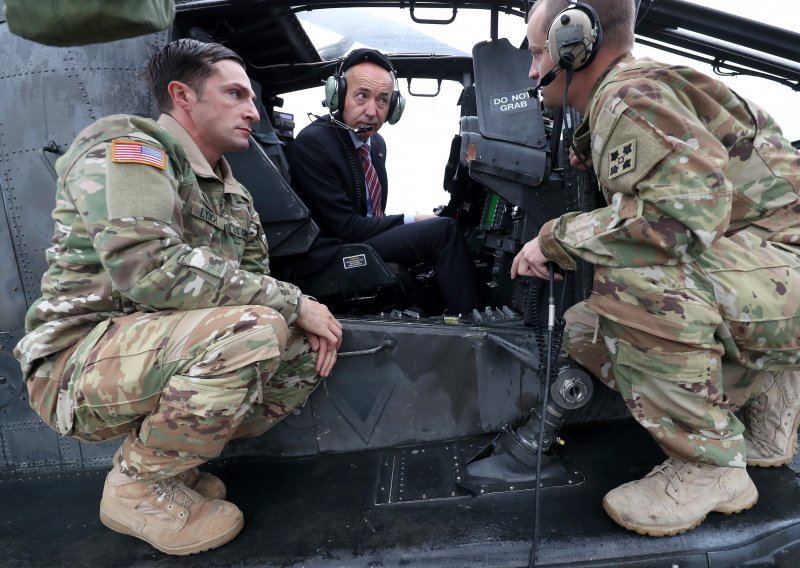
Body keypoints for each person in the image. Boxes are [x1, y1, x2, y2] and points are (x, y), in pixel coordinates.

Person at [13, 39, 343, 555]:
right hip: (75, 364)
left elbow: (246, 286)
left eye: (252, 98)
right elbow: (149, 269)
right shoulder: (130, 147)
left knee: (300, 349)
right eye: (234, 94)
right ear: (182, 96)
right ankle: (135, 490)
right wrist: (296, 303)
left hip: (150, 352)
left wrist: (298, 315)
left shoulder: (232, 194)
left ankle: (166, 465)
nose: (253, 111)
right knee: (255, 331)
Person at [512, 0, 800, 536]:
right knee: (584, 328)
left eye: (535, 54)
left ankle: (709, 466)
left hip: (784, 267)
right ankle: (770, 389)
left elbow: (681, 219)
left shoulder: (629, 96)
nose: (531, 72)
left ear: (575, 43)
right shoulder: (634, 90)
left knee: (633, 282)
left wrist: (554, 239)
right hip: (772, 269)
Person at [288, 48, 481, 315]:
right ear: (339, 95)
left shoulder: (375, 143)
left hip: (358, 239)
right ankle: (475, 321)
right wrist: (410, 220)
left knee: (438, 226)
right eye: (361, 96)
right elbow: (347, 228)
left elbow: (370, 214)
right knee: (443, 231)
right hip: (332, 254)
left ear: (393, 107)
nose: (372, 111)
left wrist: (414, 221)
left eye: (382, 100)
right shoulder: (315, 143)